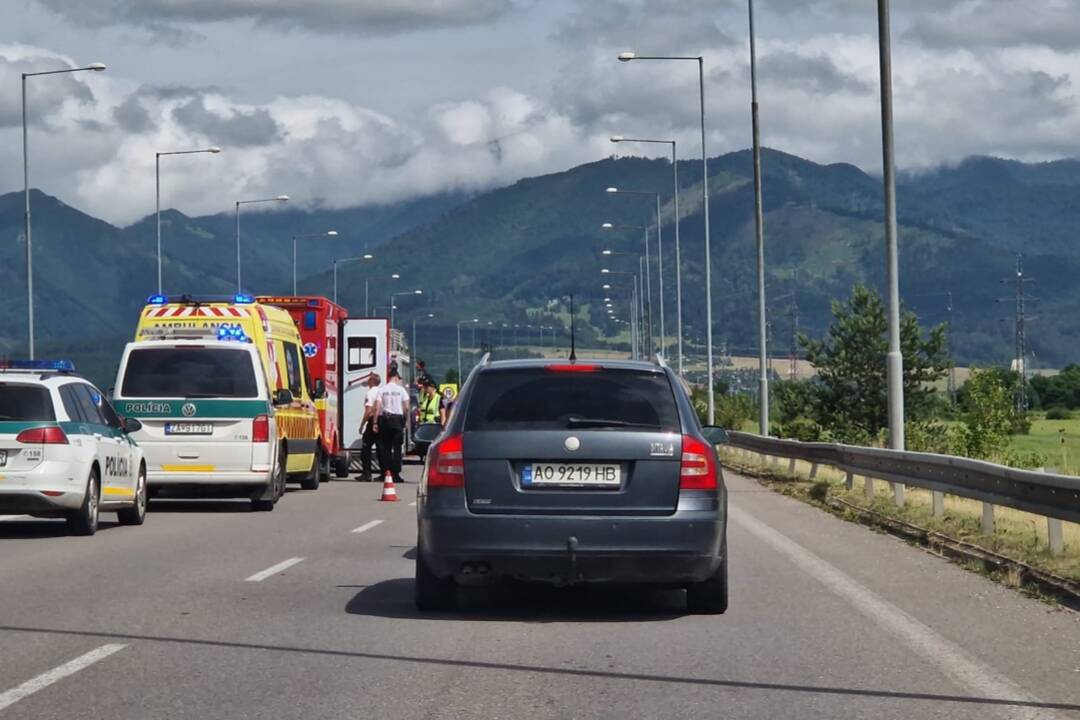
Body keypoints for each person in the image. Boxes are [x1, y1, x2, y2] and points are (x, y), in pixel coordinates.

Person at [373, 368, 410, 484]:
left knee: (386, 448)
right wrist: (406, 420)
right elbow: (406, 407)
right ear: (396, 377)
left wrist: (375, 422)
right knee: (397, 448)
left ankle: (387, 472)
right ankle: (396, 474)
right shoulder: (401, 390)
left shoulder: (382, 390)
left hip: (385, 419)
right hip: (397, 419)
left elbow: (377, 407)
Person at [358, 373, 381, 482]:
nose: (367, 381)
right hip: (382, 421)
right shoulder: (381, 391)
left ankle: (366, 473)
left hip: (372, 421)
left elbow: (369, 410)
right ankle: (384, 472)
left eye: (369, 380)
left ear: (372, 381)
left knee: (366, 448)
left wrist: (362, 425)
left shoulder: (370, 393)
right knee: (381, 448)